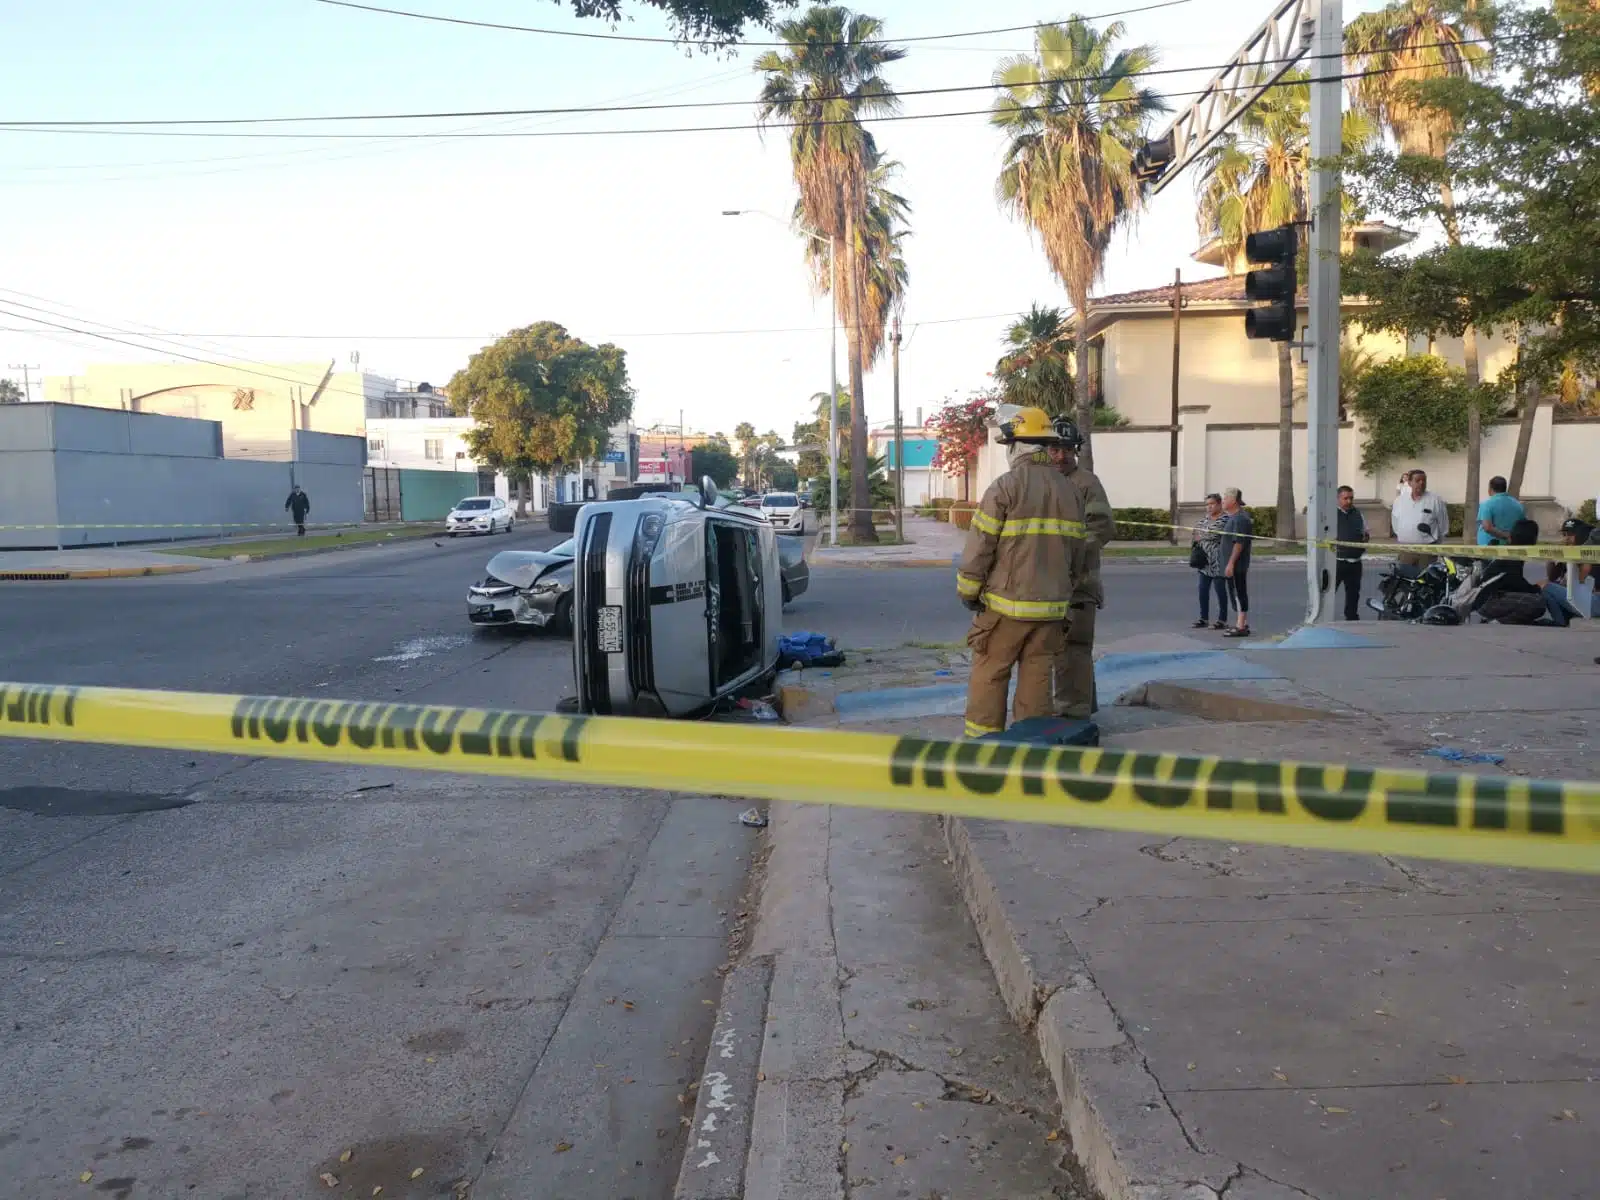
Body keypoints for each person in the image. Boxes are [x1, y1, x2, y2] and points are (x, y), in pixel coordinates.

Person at [956, 407, 1088, 738]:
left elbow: (979, 549)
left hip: (1006, 607)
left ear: (1016, 447)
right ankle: (1030, 751)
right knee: (1037, 680)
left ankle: (982, 748)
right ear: (1045, 446)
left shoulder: (1005, 487)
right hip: (1052, 611)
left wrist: (969, 593)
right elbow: (1078, 554)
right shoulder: (1070, 491)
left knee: (991, 674)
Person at [1051, 416, 1115, 719]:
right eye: (1054, 449)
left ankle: (1073, 717)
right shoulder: (1043, 481)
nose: (1060, 456)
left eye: (1066, 450)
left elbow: (1101, 529)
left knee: (1074, 650)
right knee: (1061, 651)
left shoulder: (1087, 483)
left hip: (1079, 586)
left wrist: (1068, 554)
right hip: (1048, 584)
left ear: (1075, 451)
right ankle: (1081, 705)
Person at [1540, 516, 1600, 618]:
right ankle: (1561, 621)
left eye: (1571, 535)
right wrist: (1554, 561)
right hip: (1586, 601)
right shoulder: (1572, 554)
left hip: (1594, 603)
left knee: (1544, 586)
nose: (1566, 539)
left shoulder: (1591, 557)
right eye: (1564, 534)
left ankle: (1560, 623)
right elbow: (1553, 579)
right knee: (1549, 588)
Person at [1391, 468, 1448, 566]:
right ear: (1409, 483)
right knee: (1406, 578)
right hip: (1406, 550)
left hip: (1427, 551)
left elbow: (1443, 525)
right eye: (1417, 481)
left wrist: (1435, 545)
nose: (1421, 483)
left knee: (1427, 579)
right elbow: (1395, 523)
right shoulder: (1399, 501)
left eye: (1424, 480)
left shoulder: (1435, 500)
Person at [1191, 493, 1229, 630]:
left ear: (1219, 504)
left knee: (1220, 591)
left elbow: (1214, 533)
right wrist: (1202, 534)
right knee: (1202, 590)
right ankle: (1203, 618)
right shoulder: (1205, 519)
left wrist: (1202, 534)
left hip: (1219, 560)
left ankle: (1222, 620)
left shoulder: (1225, 519)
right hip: (1204, 561)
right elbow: (1195, 532)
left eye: (1212, 504)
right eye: (1207, 504)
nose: (1209, 507)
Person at [1219, 487, 1253, 638]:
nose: (1223, 501)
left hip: (1237, 565)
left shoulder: (1239, 519)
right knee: (1235, 592)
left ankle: (1241, 626)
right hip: (1232, 563)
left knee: (1239, 593)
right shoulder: (1234, 517)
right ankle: (1241, 623)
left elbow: (1239, 543)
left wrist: (1231, 563)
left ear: (1233, 500)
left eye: (1225, 498)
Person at [1335, 486, 1369, 620]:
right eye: (1345, 498)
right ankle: (1322, 619)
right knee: (1329, 592)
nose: (1349, 501)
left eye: (1351, 498)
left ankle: (1351, 619)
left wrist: (1365, 537)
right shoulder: (1331, 514)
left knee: (1353, 594)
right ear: (1338, 499)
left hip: (1355, 562)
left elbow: (1365, 531)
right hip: (1337, 561)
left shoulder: (1358, 514)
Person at [1476, 475, 1525, 547]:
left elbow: (1487, 527)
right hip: (1512, 547)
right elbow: (1522, 525)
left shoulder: (1487, 504)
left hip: (1490, 548)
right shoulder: (1518, 505)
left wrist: (1505, 536)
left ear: (1490, 489)